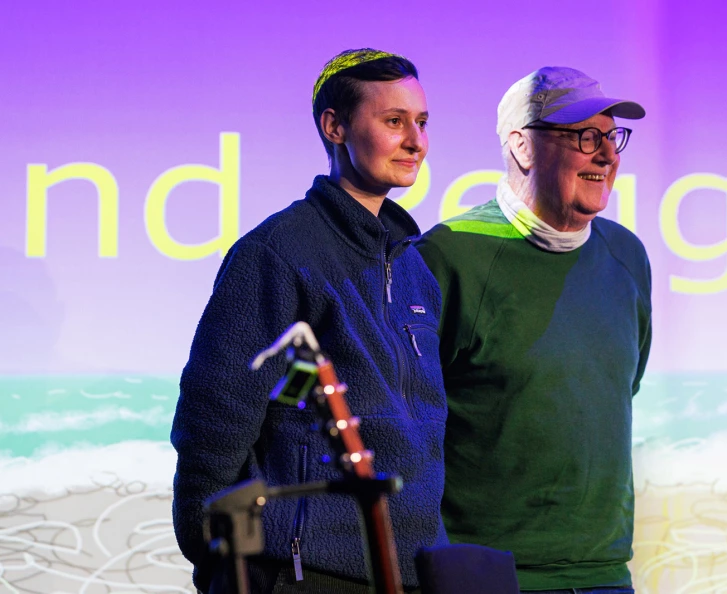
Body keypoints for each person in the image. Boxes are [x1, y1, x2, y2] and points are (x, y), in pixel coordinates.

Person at [171, 49, 449, 594]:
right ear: (335, 126)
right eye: (394, 121)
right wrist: (221, 559)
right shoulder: (276, 253)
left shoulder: (416, 268)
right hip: (302, 573)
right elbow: (215, 417)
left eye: (421, 122)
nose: (416, 140)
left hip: (407, 573)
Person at [416, 67, 652, 593]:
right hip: (489, 577)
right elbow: (409, 424)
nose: (608, 155)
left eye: (611, 137)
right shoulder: (447, 255)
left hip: (605, 575)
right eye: (584, 137)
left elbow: (613, 391)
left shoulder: (627, 256)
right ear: (522, 147)